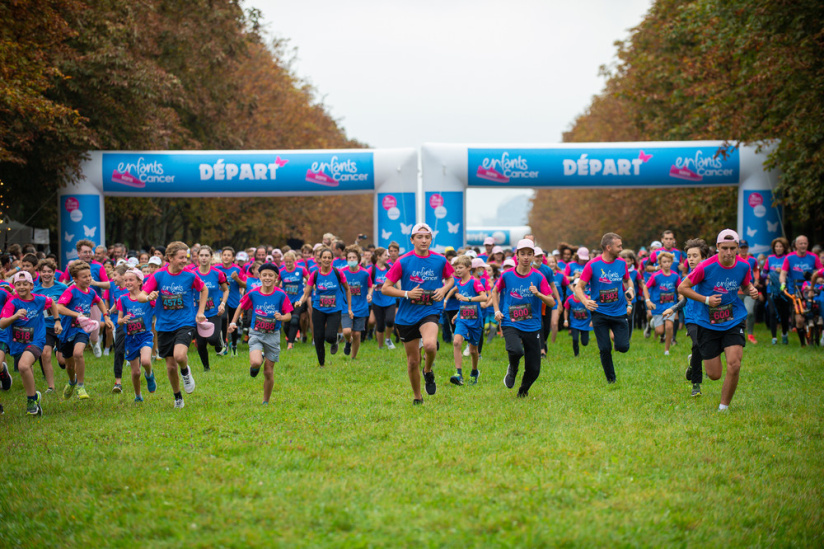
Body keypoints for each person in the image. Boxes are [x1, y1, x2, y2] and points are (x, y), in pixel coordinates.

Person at [678, 230, 758, 410]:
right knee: (714, 374)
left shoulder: (744, 266)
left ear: (737, 248)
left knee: (735, 364)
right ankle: (702, 357)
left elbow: (745, 285)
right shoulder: (705, 266)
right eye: (724, 248)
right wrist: (706, 300)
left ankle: (724, 407)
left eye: (732, 248)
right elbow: (683, 288)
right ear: (718, 248)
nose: (729, 253)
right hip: (707, 321)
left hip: (733, 318)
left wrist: (750, 290)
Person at [382, 223, 454, 404]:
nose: (424, 240)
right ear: (412, 239)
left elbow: (451, 278)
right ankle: (417, 397)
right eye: (419, 237)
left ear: (431, 239)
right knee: (413, 361)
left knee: (430, 345)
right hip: (407, 315)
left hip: (430, 310)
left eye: (427, 237)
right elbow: (385, 288)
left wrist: (444, 289)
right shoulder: (403, 261)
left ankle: (428, 371)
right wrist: (407, 294)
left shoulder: (440, 260)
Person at [136, 242, 207, 409]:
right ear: (170, 258)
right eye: (181, 257)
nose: (185, 260)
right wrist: (148, 297)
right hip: (164, 325)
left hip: (185, 322)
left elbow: (204, 290)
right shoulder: (158, 276)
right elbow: (140, 295)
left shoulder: (190, 275)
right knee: (170, 366)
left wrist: (200, 312)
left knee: (180, 356)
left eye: (186, 257)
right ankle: (177, 397)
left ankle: (186, 372)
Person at [491, 239, 554, 398]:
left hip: (532, 325)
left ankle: (523, 390)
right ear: (517, 255)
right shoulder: (507, 275)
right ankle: (512, 368)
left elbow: (552, 301)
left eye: (529, 254)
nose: (526, 257)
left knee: (534, 369)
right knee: (516, 350)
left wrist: (538, 294)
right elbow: (494, 292)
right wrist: (497, 310)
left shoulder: (539, 277)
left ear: (533, 256)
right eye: (523, 254)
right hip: (510, 321)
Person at [229, 263, 293, 404]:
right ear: (260, 276)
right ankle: (258, 360)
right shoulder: (253, 293)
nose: (267, 278)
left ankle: (265, 401)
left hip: (273, 335)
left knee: (268, 371)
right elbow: (241, 306)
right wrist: (233, 323)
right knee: (256, 362)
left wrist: (281, 317)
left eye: (271, 275)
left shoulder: (280, 295)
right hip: (256, 333)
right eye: (264, 275)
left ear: (276, 278)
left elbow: (289, 314)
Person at [575, 233, 635, 384]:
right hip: (599, 313)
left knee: (623, 347)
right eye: (619, 246)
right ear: (608, 247)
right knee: (605, 348)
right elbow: (579, 287)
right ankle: (611, 379)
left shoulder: (622, 263)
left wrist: (631, 289)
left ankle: (619, 342)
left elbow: (628, 280)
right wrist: (585, 301)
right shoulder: (593, 265)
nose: (621, 249)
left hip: (619, 312)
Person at [0, 272, 62, 416]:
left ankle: (31, 401)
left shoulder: (39, 300)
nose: (21, 287)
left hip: (36, 340)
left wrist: (57, 320)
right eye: (18, 284)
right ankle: (34, 396)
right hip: (17, 342)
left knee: (23, 365)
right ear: (14, 286)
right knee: (24, 369)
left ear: (31, 285)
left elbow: (52, 303)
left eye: (25, 284)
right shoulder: (12, 303)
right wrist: (15, 316)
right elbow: (2, 323)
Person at [56, 261, 115, 399]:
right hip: (66, 331)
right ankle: (72, 382)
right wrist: (77, 314)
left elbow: (100, 301)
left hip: (82, 329)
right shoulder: (71, 291)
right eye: (84, 277)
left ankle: (81, 387)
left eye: (89, 276)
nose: (88, 279)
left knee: (78, 353)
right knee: (69, 366)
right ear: (75, 279)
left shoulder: (91, 292)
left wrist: (106, 317)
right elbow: (59, 307)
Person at [662, 238, 710, 397]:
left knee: (706, 348)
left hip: (709, 318)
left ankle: (692, 365)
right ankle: (696, 385)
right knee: (697, 344)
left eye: (695, 256)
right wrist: (673, 308)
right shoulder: (686, 279)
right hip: (692, 318)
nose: (690, 259)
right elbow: (685, 300)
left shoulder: (711, 276)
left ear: (703, 257)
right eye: (689, 256)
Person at [296, 247, 352, 367]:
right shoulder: (315, 274)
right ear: (320, 259)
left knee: (330, 336)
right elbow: (306, 293)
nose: (326, 259)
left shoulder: (338, 273)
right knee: (318, 337)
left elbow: (347, 289)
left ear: (332, 259)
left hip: (335, 309)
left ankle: (334, 341)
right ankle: (321, 363)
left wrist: (349, 308)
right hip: (318, 309)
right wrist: (300, 301)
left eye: (329, 257)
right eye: (324, 257)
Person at [59, 239, 111, 358]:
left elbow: (108, 284)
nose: (88, 254)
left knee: (93, 331)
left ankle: (94, 342)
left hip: (92, 302)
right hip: (75, 302)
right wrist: (64, 291)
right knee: (75, 325)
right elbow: (65, 281)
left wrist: (95, 283)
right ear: (78, 253)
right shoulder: (72, 266)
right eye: (85, 252)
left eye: (89, 252)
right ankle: (72, 344)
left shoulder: (98, 266)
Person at [115, 269, 157, 402]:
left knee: (145, 361)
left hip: (145, 335)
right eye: (126, 280)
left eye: (131, 280)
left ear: (140, 282)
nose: (127, 282)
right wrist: (123, 320)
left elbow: (157, 309)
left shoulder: (147, 298)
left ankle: (149, 375)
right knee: (135, 372)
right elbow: (119, 320)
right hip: (130, 338)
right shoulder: (122, 299)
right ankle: (138, 395)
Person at [445, 255, 488, 386]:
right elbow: (462, 301)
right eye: (456, 268)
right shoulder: (458, 284)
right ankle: (459, 374)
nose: (457, 270)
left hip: (475, 320)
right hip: (462, 319)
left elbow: (484, 297)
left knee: (474, 350)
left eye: (460, 268)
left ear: (469, 268)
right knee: (457, 342)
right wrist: (457, 313)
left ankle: (474, 372)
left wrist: (468, 299)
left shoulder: (475, 282)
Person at [779, 235, 823, 346]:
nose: (803, 245)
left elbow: (820, 272)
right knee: (799, 319)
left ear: (808, 244)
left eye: (805, 243)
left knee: (816, 313)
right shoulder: (789, 258)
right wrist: (783, 283)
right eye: (801, 243)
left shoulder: (813, 257)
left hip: (811, 289)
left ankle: (816, 336)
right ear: (796, 245)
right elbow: (783, 273)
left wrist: (819, 281)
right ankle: (803, 343)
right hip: (796, 290)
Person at [33, 259, 68, 391]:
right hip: (45, 327)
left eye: (49, 271)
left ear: (54, 273)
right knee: (45, 354)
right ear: (39, 273)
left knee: (62, 361)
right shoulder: (36, 291)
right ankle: (51, 386)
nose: (46, 274)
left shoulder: (62, 288)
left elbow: (68, 304)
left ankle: (59, 353)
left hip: (61, 325)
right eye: (44, 271)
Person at [193, 246, 228, 371]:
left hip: (214, 311)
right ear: (197, 257)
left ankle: (220, 341)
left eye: (206, 255)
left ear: (211, 257)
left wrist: (222, 304)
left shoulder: (217, 273)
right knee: (201, 343)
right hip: (198, 312)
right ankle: (206, 368)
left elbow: (226, 290)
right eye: (201, 255)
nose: (203, 258)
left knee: (212, 339)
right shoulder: (192, 273)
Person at [645, 252, 683, 356]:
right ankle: (653, 323)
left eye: (668, 262)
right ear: (660, 263)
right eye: (664, 262)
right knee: (660, 330)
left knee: (669, 327)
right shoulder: (656, 276)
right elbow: (645, 287)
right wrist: (648, 300)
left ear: (671, 262)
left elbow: (679, 288)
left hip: (670, 305)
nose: (666, 264)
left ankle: (667, 350)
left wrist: (680, 295)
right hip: (657, 306)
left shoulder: (675, 276)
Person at [340, 246, 372, 359]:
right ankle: (348, 341)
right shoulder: (342, 272)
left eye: (354, 257)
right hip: (346, 306)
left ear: (358, 259)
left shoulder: (365, 273)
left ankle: (353, 357)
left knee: (357, 333)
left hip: (361, 306)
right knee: (347, 331)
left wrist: (369, 294)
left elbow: (370, 286)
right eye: (349, 257)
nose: (351, 259)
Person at [216, 247, 247, 356]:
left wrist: (236, 278)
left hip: (234, 299)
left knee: (233, 323)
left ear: (233, 258)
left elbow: (245, 284)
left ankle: (233, 345)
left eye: (229, 255)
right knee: (223, 319)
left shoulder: (237, 269)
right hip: (220, 300)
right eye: (224, 255)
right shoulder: (217, 269)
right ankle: (224, 344)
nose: (226, 257)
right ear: (221, 256)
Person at [279, 251, 310, 350]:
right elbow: (276, 284)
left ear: (294, 261)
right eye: (286, 262)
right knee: (286, 324)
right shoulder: (282, 272)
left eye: (290, 262)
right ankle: (290, 337)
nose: (288, 264)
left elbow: (310, 280)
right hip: (286, 301)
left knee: (295, 320)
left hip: (298, 300)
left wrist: (309, 288)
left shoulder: (301, 270)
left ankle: (290, 343)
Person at [368, 248, 397, 350]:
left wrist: (402, 291)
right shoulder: (372, 270)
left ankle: (388, 339)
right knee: (379, 325)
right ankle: (380, 346)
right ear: (379, 257)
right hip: (377, 301)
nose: (388, 257)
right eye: (385, 255)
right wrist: (369, 294)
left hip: (390, 300)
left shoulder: (390, 268)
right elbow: (369, 284)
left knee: (390, 321)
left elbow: (396, 281)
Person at [765, 237, 790, 345]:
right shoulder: (770, 259)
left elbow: (791, 274)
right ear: (774, 248)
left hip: (784, 290)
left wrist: (783, 272)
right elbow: (763, 273)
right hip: (771, 290)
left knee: (784, 313)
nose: (778, 248)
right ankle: (774, 337)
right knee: (772, 312)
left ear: (784, 248)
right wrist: (769, 276)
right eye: (776, 246)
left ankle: (784, 334)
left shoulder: (787, 258)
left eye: (780, 246)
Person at [737, 240, 760, 344]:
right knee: (737, 314)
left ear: (747, 248)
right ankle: (738, 334)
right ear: (738, 248)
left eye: (744, 247)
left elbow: (756, 269)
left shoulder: (752, 260)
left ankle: (750, 334)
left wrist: (757, 279)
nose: (743, 249)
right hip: (737, 291)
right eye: (741, 247)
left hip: (749, 290)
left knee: (749, 311)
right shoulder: (734, 259)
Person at [564, 278, 592, 357]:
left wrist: (592, 320)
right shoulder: (569, 299)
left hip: (585, 323)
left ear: (583, 289)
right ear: (573, 288)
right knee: (575, 339)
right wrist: (565, 320)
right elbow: (566, 310)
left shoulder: (587, 298)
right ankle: (576, 354)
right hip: (574, 323)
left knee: (585, 342)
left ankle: (584, 338)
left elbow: (593, 310)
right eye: (575, 286)